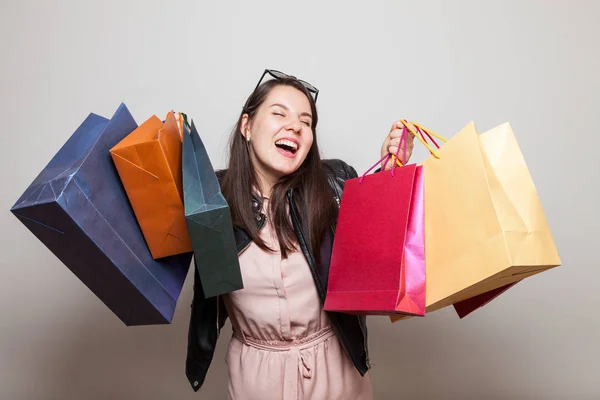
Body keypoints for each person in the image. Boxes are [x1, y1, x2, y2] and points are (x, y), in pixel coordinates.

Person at [185, 69, 415, 399]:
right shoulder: (210, 199)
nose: (295, 125)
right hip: (257, 377)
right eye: (279, 113)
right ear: (246, 126)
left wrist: (387, 178)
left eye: (306, 122)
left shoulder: (334, 183)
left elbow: (374, 249)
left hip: (337, 373)